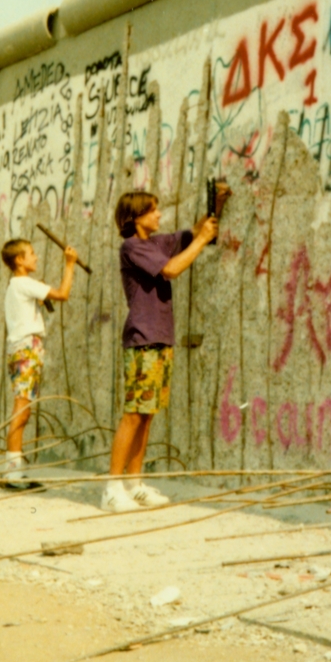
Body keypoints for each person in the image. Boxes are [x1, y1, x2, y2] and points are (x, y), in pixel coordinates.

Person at [103, 191, 216, 512]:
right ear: (136, 217)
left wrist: (213, 211)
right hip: (143, 338)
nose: (159, 215)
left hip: (161, 338)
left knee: (147, 415)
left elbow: (192, 233)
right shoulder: (133, 247)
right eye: (153, 211)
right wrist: (202, 241)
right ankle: (112, 487)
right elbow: (171, 270)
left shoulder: (157, 243)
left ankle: (134, 484)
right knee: (133, 414)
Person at [0, 237, 77, 487]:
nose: (36, 257)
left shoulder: (15, 286)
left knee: (23, 407)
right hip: (26, 349)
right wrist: (70, 265)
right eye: (31, 254)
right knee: (22, 409)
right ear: (20, 260)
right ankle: (12, 473)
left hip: (21, 348)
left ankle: (15, 470)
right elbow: (63, 294)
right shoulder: (24, 283)